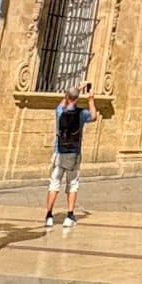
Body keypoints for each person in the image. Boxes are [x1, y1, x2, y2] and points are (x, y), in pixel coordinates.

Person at [45, 84, 96, 228]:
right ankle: (69, 215)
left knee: (54, 184)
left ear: (67, 97)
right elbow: (94, 116)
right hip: (73, 154)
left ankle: (49, 215)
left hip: (59, 152)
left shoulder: (60, 111)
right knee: (72, 184)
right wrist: (91, 99)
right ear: (77, 98)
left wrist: (75, 89)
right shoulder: (81, 114)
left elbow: (63, 102)